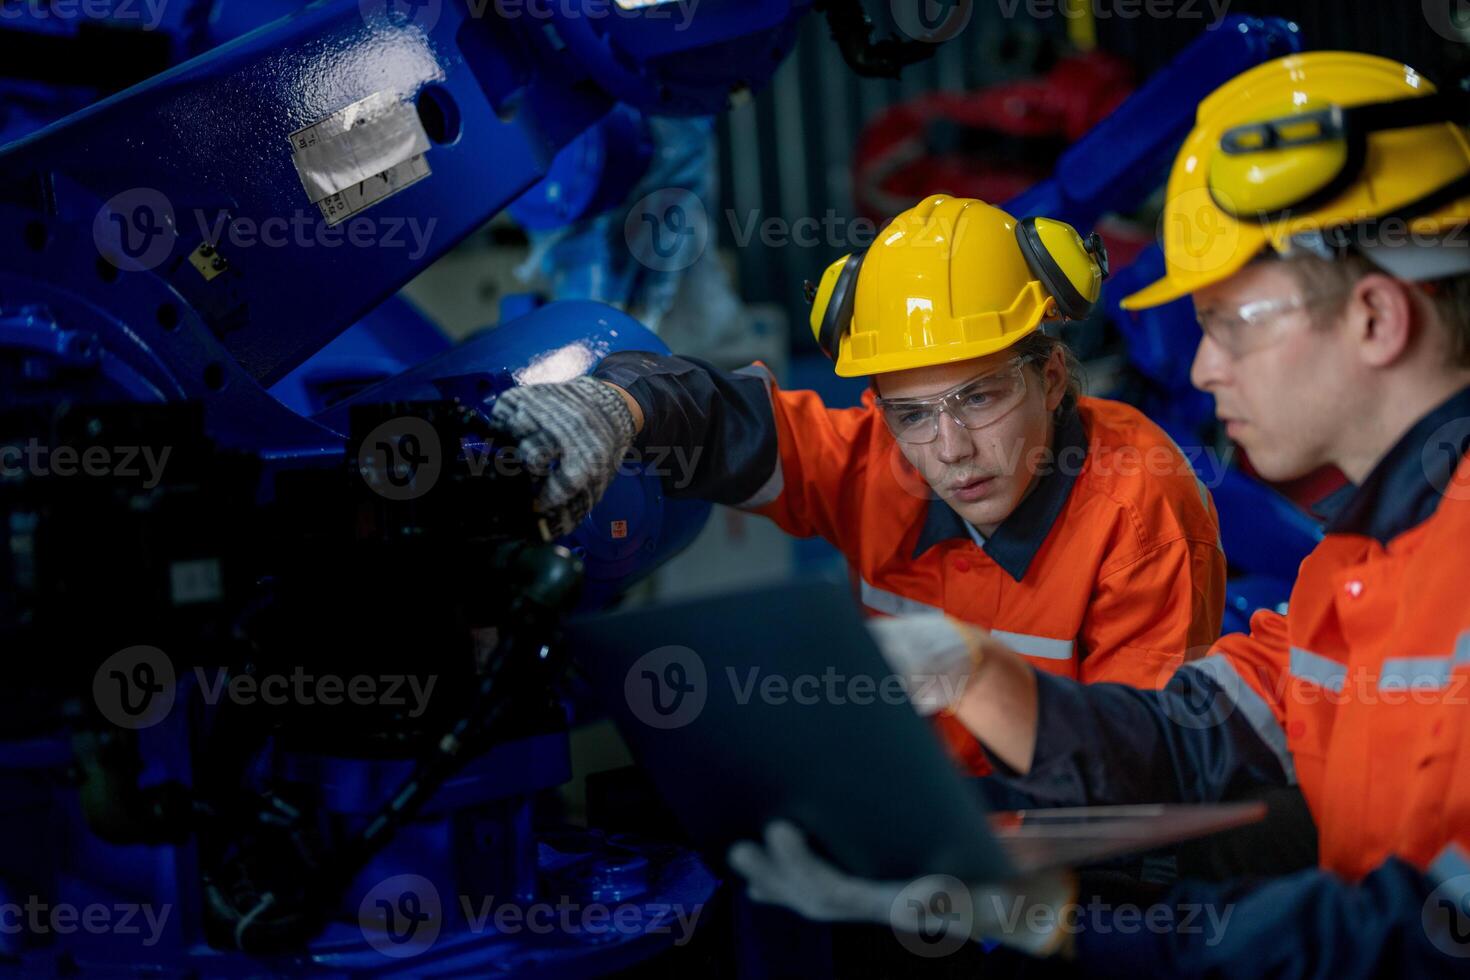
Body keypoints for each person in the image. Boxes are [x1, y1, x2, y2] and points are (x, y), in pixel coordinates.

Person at [727, 51, 1470, 976]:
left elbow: (1410, 940)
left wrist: (1060, 923)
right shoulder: (1357, 565)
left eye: (1233, 322)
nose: (1202, 369)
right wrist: (975, 676)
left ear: (1374, 318)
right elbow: (1201, 738)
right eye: (913, 413)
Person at [492, 194, 1226, 772]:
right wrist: (614, 407)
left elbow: (1138, 769)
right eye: (911, 414)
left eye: (980, 397)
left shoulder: (1139, 510)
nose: (950, 450)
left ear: (1053, 375)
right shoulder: (881, 464)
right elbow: (728, 422)